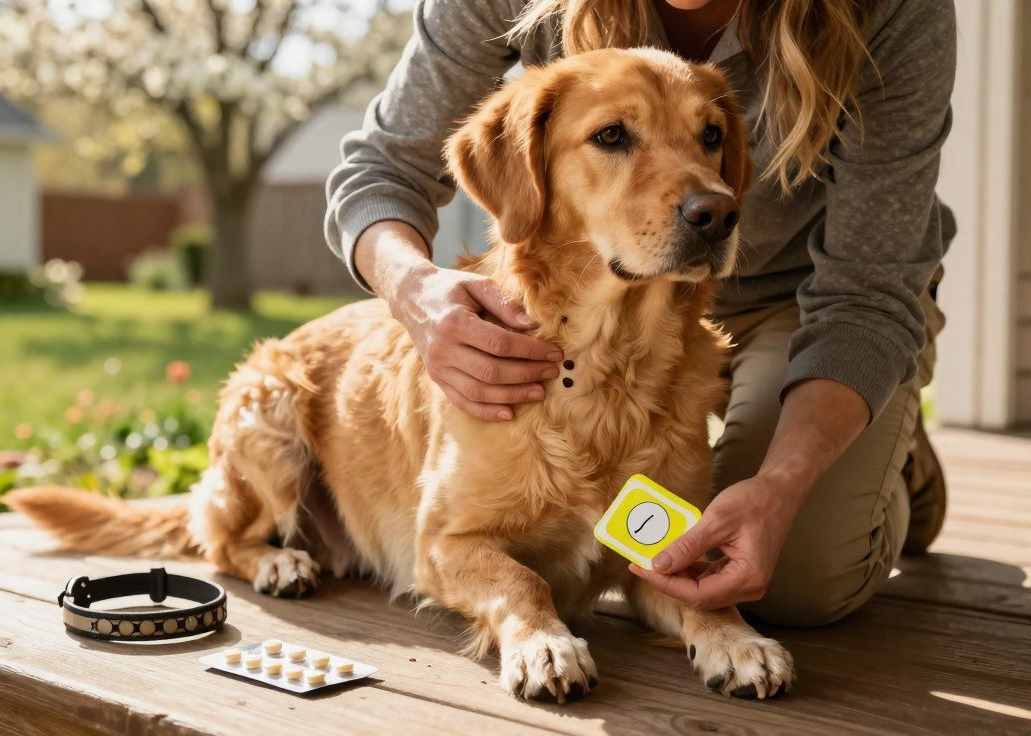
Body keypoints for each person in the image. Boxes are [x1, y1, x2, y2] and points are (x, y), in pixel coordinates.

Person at [323, 0, 955, 626]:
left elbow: (867, 293)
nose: (706, 198)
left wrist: (791, 479)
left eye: (710, 139)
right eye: (613, 137)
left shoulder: (894, 10)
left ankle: (874, 430)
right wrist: (415, 293)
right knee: (704, 557)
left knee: (792, 579)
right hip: (600, 319)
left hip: (817, 305)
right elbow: (383, 167)